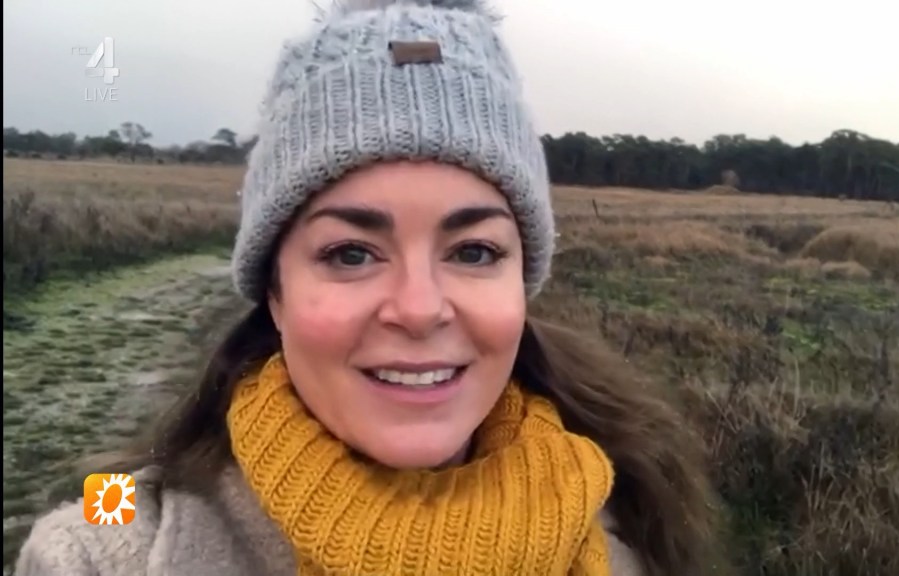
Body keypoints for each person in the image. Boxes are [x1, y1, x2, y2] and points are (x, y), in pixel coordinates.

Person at [15, 1, 720, 575]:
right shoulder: (105, 546)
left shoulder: (631, 516)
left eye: (474, 251)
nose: (419, 309)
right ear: (275, 292)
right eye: (351, 253)